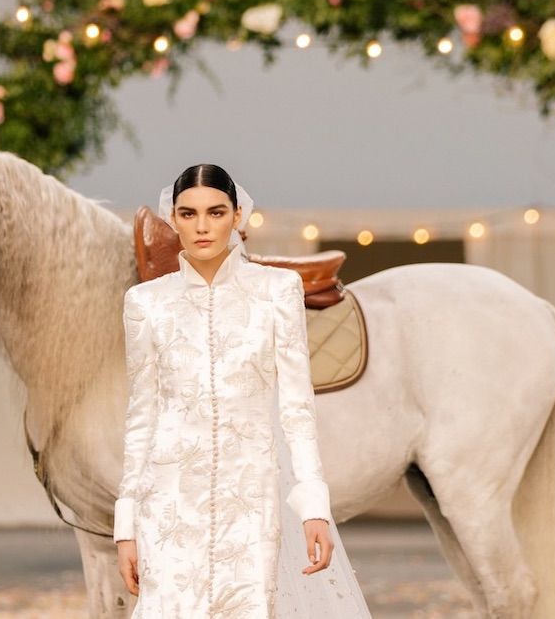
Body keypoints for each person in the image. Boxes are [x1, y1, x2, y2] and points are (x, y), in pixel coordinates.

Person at [113, 164, 371, 617]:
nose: (202, 226)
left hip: (251, 497)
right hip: (168, 502)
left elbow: (296, 408)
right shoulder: (146, 303)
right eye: (187, 214)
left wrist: (314, 507)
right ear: (173, 220)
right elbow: (141, 417)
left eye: (215, 212)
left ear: (237, 217)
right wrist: (127, 525)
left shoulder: (276, 291)